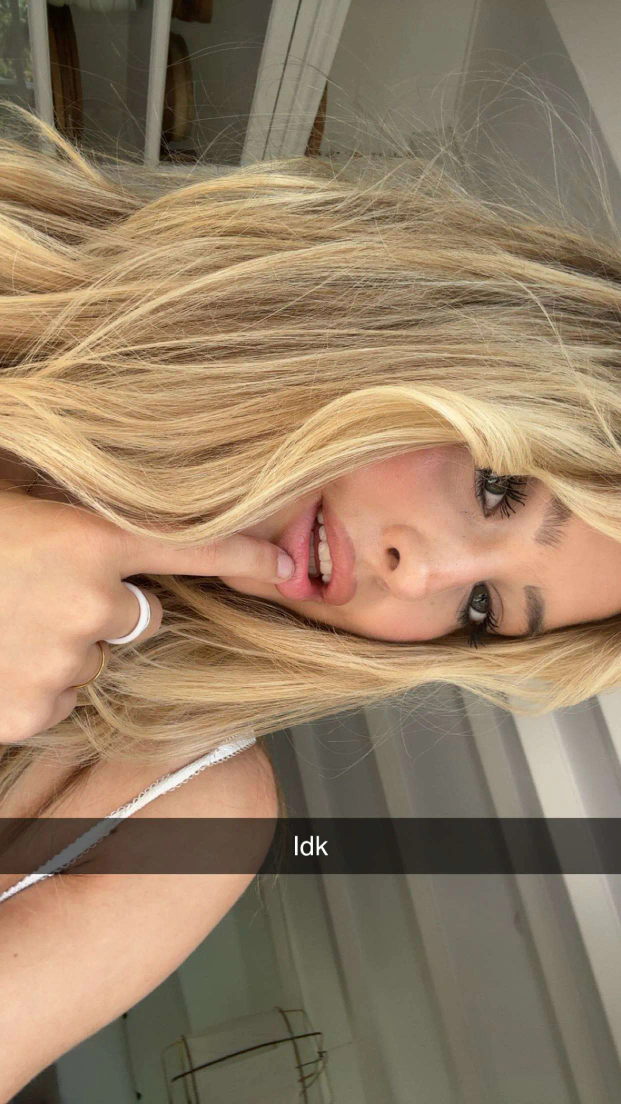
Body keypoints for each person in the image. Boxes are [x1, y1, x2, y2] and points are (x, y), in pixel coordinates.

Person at [1, 80, 621, 1089]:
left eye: (480, 611)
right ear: (434, 330)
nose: (423, 574)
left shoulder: (186, 807)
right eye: (496, 488)